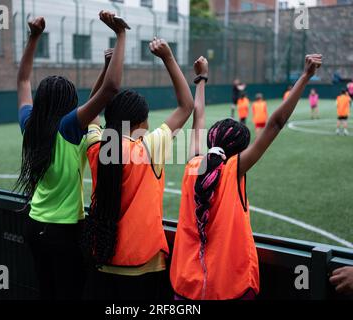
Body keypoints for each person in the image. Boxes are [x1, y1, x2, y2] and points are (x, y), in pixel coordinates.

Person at [170, 54, 322, 300]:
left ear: (211, 141)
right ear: (239, 152)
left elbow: (198, 120)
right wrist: (305, 76)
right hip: (229, 288)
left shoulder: (192, 167)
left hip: (186, 287)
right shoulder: (233, 172)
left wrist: (201, 80)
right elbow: (276, 123)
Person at [15, 11, 127, 300]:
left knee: (47, 290)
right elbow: (110, 90)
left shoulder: (31, 123)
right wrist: (120, 35)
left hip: (33, 224)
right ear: (68, 106)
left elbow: (24, 80)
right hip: (63, 233)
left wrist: (34, 36)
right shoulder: (68, 127)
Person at [83, 38, 194, 300]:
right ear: (141, 122)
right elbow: (186, 106)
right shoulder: (149, 149)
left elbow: (90, 113)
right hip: (143, 266)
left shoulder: (98, 149)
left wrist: (106, 69)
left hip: (103, 260)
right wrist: (168, 58)